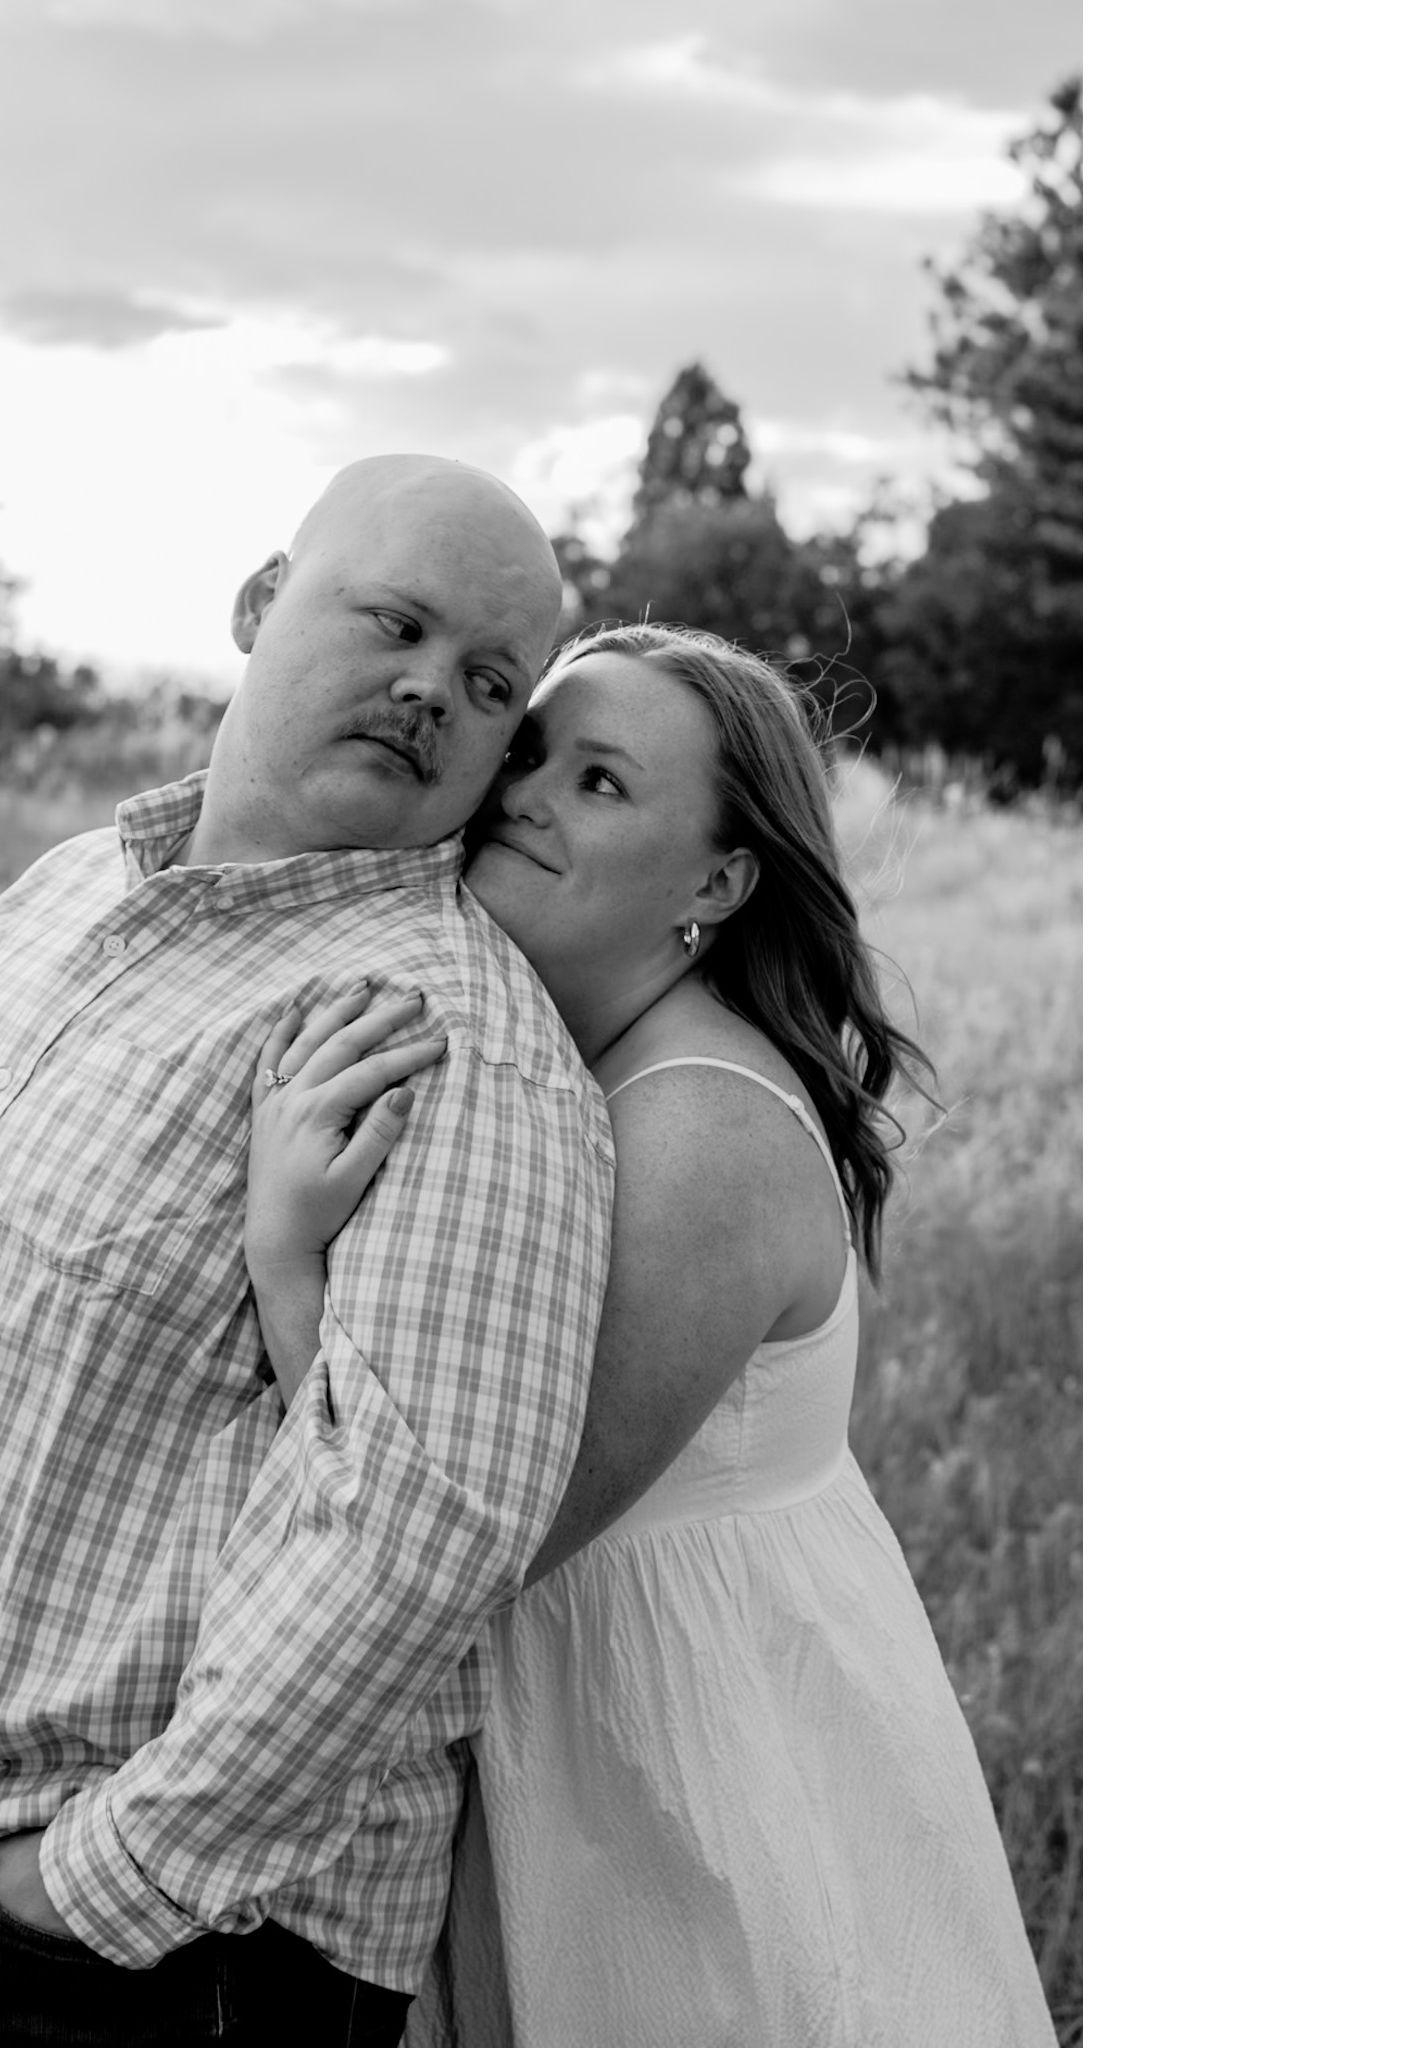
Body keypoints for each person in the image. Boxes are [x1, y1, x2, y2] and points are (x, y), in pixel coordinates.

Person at [0, 455, 616, 2048]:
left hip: (130, 1963)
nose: (430, 693)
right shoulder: (69, 889)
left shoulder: (443, 1038)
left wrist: (104, 1883)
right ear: (262, 604)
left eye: (489, 684)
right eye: (394, 625)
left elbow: (417, 1528)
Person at [243, 623, 1060, 2047]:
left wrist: (283, 1249)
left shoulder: (701, 1131)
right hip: (577, 1722)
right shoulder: (563, 1052)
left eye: (603, 782)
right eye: (536, 751)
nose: (524, 791)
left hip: (689, 1756)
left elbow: (462, 1544)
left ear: (720, 882)